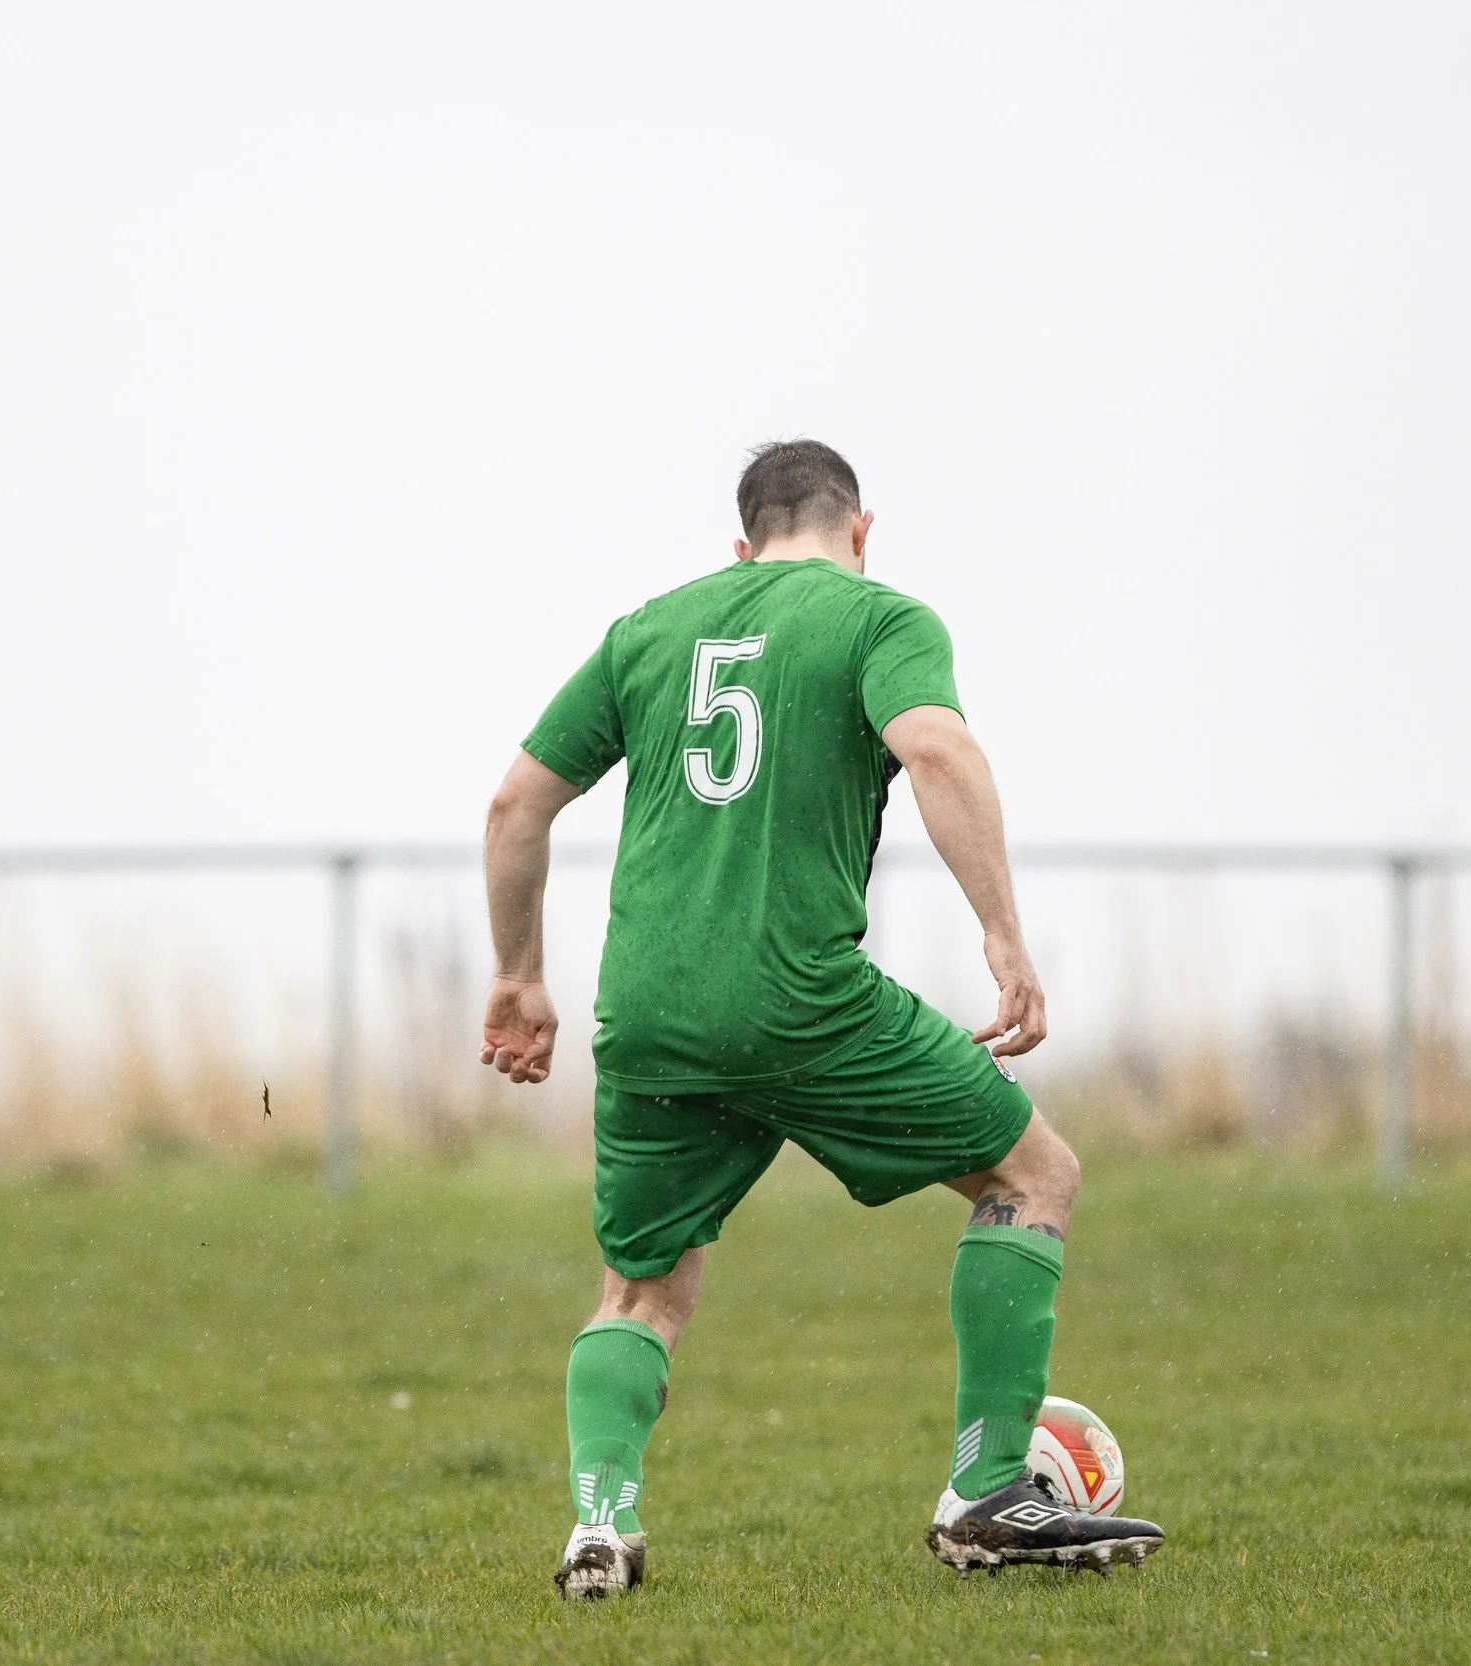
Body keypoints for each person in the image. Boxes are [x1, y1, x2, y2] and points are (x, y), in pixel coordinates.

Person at [479, 439, 1167, 1598]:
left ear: (740, 548)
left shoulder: (649, 629)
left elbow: (515, 804)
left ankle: (600, 1522)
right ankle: (989, 1486)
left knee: (639, 1288)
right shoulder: (875, 616)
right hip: (798, 997)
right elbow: (936, 744)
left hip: (646, 1011)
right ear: (860, 532)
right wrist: (1000, 932)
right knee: (1032, 1172)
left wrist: (517, 974)